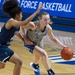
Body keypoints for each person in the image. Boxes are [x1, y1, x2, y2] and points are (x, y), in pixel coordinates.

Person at [0, 0, 42, 75]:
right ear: (17, 15)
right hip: (1, 47)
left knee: (2, 66)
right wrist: (37, 12)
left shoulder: (15, 25)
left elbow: (16, 33)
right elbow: (24, 22)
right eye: (21, 14)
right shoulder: (11, 21)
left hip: (3, 47)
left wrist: (24, 40)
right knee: (18, 62)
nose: (22, 16)